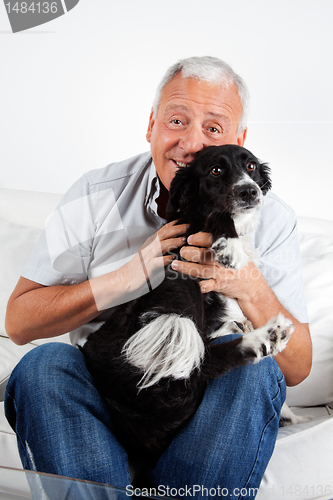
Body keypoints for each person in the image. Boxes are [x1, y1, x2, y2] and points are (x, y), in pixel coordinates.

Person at [4, 56, 311, 499]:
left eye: (213, 128)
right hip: (111, 396)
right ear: (151, 124)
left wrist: (245, 283)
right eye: (176, 119)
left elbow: (296, 366)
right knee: (43, 365)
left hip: (202, 402)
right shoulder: (94, 196)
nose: (189, 142)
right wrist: (126, 277)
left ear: (240, 141)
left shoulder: (269, 215)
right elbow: (19, 323)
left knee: (257, 372)